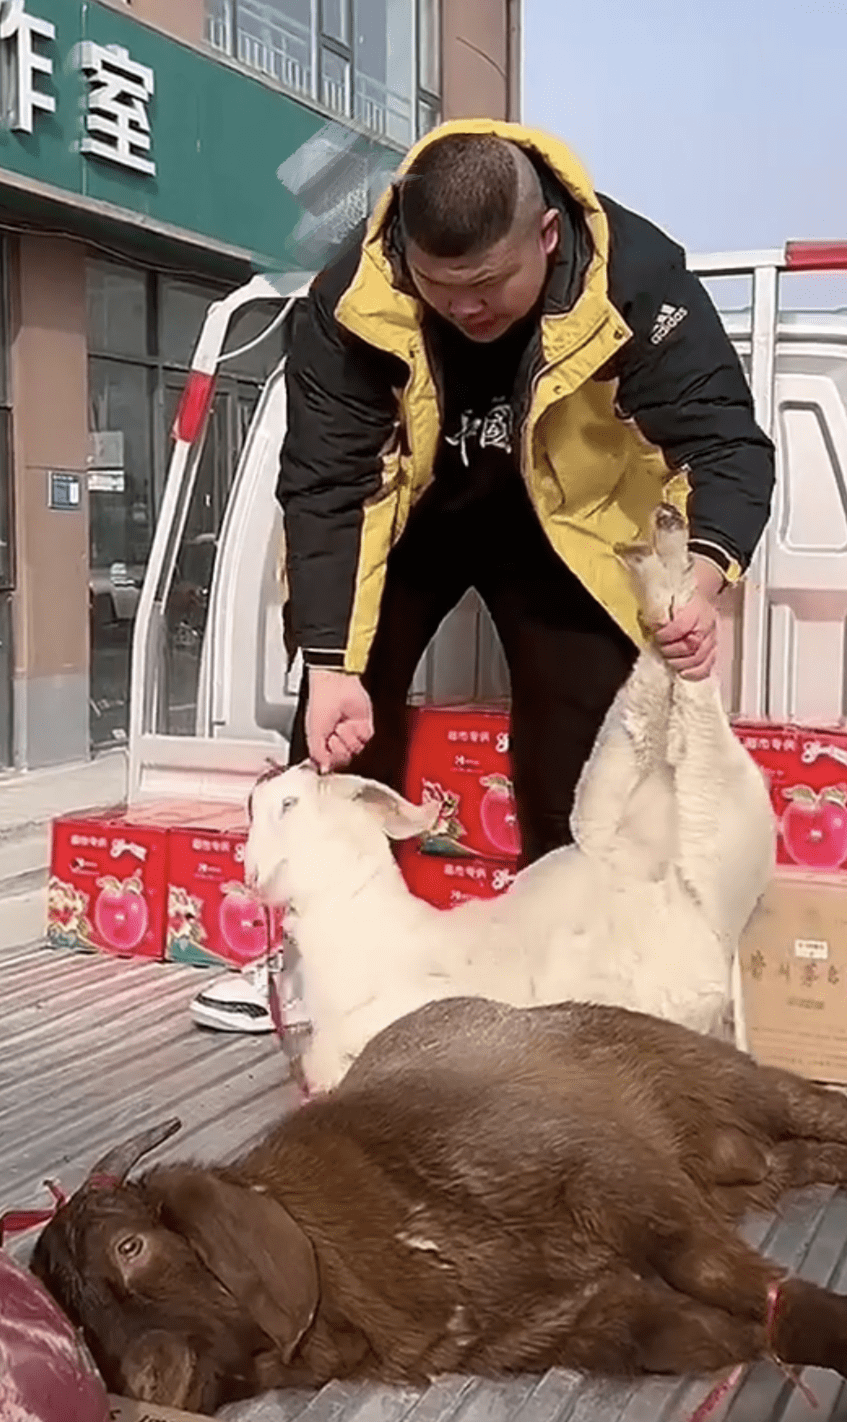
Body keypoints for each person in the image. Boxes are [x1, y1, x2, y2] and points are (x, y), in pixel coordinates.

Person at [189, 118, 775, 1036]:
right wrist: (332, 667)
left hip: (559, 521)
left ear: (546, 237)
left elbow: (725, 442)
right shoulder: (349, 296)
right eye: (440, 285)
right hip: (415, 515)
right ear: (403, 251)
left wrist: (703, 577)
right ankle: (317, 961)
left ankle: (572, 977)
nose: (466, 309)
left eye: (490, 283)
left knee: (574, 751)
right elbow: (326, 484)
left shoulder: (639, 277)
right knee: (340, 720)